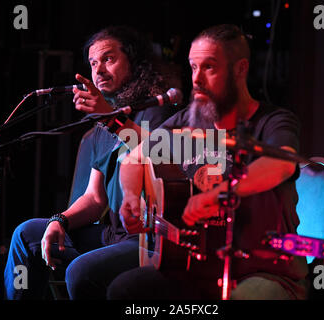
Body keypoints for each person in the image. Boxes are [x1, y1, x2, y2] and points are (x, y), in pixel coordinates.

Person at [107, 24, 309, 300]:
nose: (197, 79)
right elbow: (134, 158)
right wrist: (131, 196)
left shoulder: (274, 121)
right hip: (196, 265)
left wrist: (216, 195)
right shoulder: (185, 122)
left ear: (240, 69)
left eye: (209, 68)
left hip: (262, 269)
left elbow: (279, 165)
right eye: (193, 67)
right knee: (124, 290)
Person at [0, 25, 177, 300]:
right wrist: (60, 221)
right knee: (27, 233)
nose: (99, 70)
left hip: (148, 240)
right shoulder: (102, 124)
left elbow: (163, 156)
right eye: (93, 63)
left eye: (108, 59)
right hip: (111, 235)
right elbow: (94, 199)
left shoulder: (157, 110)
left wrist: (111, 119)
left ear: (134, 62)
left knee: (81, 271)